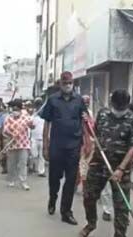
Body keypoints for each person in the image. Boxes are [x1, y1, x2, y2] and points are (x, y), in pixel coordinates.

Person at [78, 89, 133, 237]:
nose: (119, 110)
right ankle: (90, 224)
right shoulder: (103, 114)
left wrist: (121, 169)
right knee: (89, 196)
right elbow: (96, 134)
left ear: (127, 105)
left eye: (122, 107)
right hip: (99, 164)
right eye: (116, 106)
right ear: (111, 104)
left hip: (122, 168)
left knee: (121, 207)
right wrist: (88, 129)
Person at [41, 71, 87, 225]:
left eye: (70, 83)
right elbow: (47, 123)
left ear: (73, 84)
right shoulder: (53, 100)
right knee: (54, 178)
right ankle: (52, 198)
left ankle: (66, 211)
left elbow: (84, 121)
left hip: (74, 146)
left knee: (71, 179)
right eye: (65, 82)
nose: (68, 85)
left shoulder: (79, 100)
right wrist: (45, 146)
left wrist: (86, 142)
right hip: (56, 145)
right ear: (60, 84)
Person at [77, 96, 114, 222]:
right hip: (90, 154)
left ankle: (107, 210)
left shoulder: (112, 127)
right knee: (87, 177)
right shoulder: (83, 118)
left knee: (107, 186)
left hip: (106, 158)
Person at [4, 100, 34, 190]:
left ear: (20, 109)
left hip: (23, 144)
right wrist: (12, 134)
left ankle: (23, 182)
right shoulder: (8, 118)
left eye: (17, 109)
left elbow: (32, 126)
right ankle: (11, 180)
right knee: (11, 163)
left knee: (23, 164)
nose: (15, 111)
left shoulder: (26, 117)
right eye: (13, 109)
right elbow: (5, 130)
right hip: (12, 144)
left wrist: (31, 124)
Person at [30, 97, 46, 177]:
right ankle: (32, 166)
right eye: (37, 104)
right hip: (33, 139)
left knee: (41, 156)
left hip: (43, 139)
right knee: (34, 154)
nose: (39, 106)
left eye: (40, 104)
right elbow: (29, 127)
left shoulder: (46, 117)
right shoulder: (32, 117)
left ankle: (41, 171)